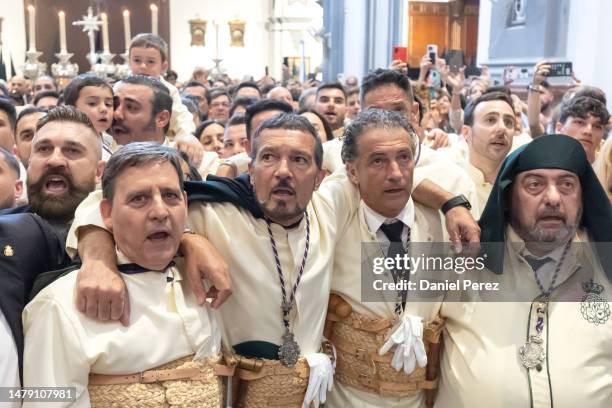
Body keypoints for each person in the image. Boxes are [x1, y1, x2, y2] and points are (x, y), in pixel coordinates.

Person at [65, 114, 363, 407]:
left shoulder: (330, 208)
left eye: (299, 160)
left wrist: (413, 177)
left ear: (319, 178)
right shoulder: (212, 213)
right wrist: (99, 262)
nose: (283, 171)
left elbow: (382, 156)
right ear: (252, 166)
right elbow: (102, 203)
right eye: (269, 157)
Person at [23, 143, 222, 407]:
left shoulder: (208, 278)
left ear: (185, 205)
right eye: (139, 198)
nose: (160, 212)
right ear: (106, 214)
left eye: (171, 196)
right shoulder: (60, 307)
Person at [437, 134, 612, 407]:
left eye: (567, 185)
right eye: (534, 185)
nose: (553, 198)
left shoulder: (605, 265)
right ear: (507, 197)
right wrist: (449, 202)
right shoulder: (463, 262)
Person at [326, 109, 445, 407]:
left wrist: (453, 204)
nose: (395, 173)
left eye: (404, 157)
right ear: (352, 171)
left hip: (421, 398)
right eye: (378, 161)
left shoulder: (440, 223)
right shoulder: (335, 220)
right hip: (347, 399)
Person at [127, 33, 203, 165]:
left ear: (163, 66)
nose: (143, 66)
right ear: (129, 62)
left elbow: (181, 117)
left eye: (150, 61)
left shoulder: (168, 90)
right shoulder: (120, 88)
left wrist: (186, 136)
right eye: (137, 60)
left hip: (159, 145)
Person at [458, 91, 516, 215]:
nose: (502, 128)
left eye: (508, 122)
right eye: (490, 120)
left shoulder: (519, 188)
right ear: (466, 133)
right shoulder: (451, 182)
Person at [63, 73, 115, 161]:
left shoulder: (112, 142)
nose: (104, 109)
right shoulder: (65, 145)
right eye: (92, 103)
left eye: (108, 104)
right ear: (72, 109)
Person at [554, 96, 609, 163]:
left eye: (597, 126)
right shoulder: (540, 163)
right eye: (580, 122)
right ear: (559, 128)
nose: (588, 131)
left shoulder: (607, 169)